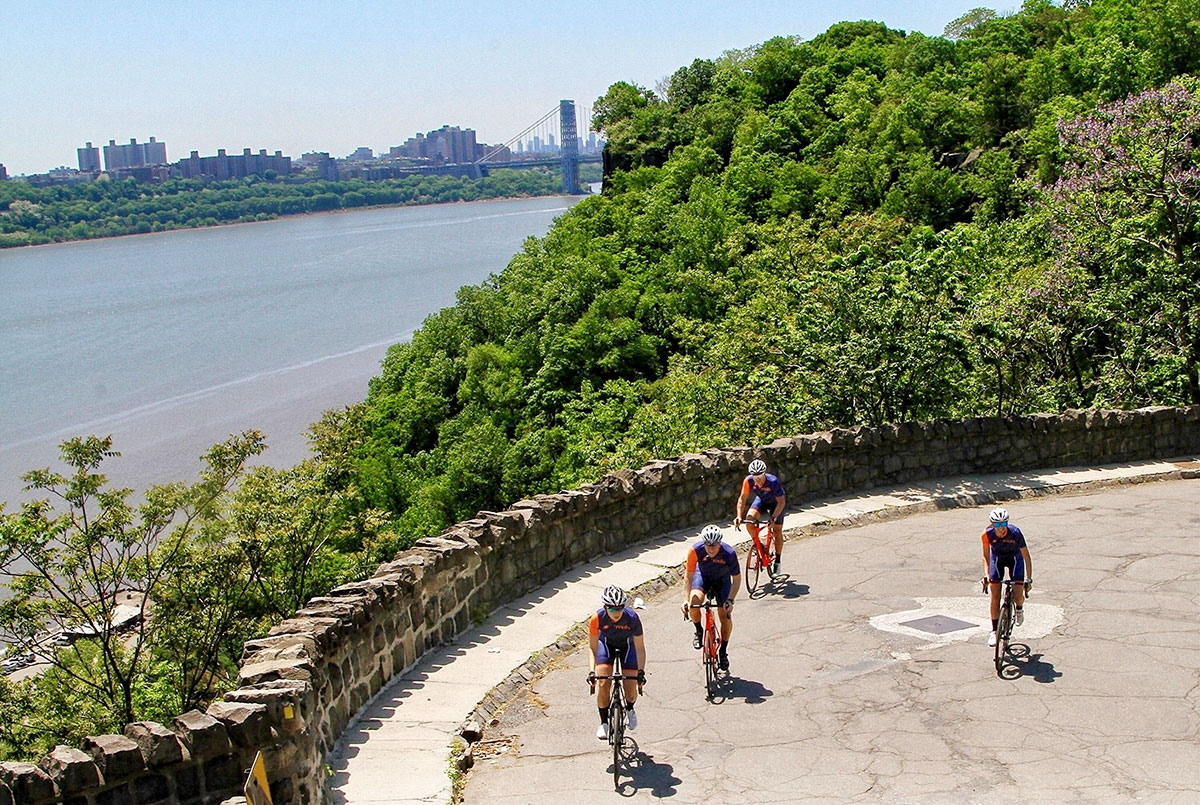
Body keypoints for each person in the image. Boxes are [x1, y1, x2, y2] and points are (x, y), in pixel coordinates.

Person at [587, 585, 646, 740]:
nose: (616, 613)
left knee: (631, 685)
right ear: (605, 607)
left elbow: (640, 648)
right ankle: (604, 722)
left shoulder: (632, 618)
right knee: (602, 682)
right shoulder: (597, 618)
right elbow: (592, 649)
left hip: (628, 647)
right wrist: (592, 672)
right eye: (612, 609)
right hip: (606, 646)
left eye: (620, 609)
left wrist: (641, 672)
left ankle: (630, 708)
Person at [682, 524, 741, 671]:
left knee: (725, 615)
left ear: (720, 543)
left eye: (714, 545)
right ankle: (699, 630)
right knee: (694, 603)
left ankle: (723, 651)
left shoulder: (729, 553)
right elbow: (688, 577)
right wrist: (685, 600)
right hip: (702, 577)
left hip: (722, 581)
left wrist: (730, 600)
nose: (711, 549)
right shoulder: (695, 550)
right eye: (708, 545)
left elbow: (737, 579)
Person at [980, 507, 1034, 646]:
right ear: (992, 524)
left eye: (1004, 524)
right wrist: (986, 575)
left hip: (1015, 559)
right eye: (997, 525)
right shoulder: (986, 534)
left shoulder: (1015, 533)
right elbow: (986, 556)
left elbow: (1026, 557)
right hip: (997, 559)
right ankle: (994, 631)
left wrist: (1029, 579)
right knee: (995, 596)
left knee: (1018, 593)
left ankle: (1019, 608)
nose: (1001, 528)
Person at [734, 458, 787, 574]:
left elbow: (781, 502)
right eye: (755, 476)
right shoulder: (748, 481)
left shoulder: (773, 481)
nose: (757, 479)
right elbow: (742, 500)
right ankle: (759, 546)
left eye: (760, 476)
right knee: (749, 521)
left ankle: (777, 561)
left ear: (764, 473)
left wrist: (773, 518)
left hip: (776, 504)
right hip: (762, 501)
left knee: (777, 530)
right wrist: (738, 516)